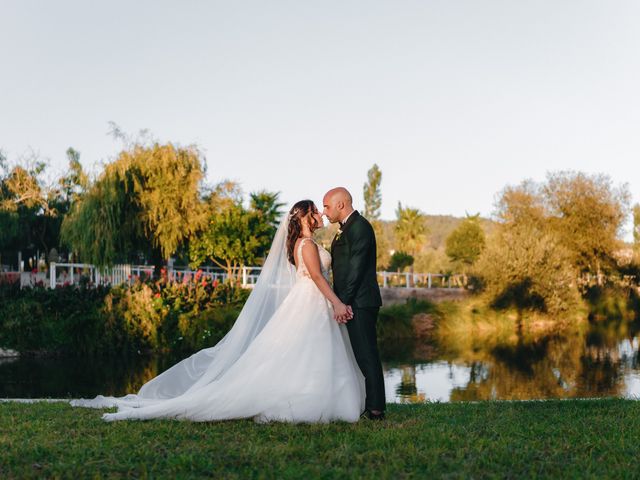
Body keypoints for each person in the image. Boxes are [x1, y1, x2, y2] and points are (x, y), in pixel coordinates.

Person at [71, 200, 365, 423]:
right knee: (308, 350)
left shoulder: (301, 244)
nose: (320, 215)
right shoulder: (308, 245)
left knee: (304, 352)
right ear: (303, 216)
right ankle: (308, 398)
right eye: (315, 210)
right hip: (311, 300)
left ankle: (311, 393)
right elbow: (316, 277)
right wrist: (337, 303)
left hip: (309, 301)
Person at [323, 187, 386, 420]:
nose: (324, 212)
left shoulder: (360, 227)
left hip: (360, 302)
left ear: (341, 205)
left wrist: (343, 303)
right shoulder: (346, 229)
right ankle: (368, 404)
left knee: (367, 354)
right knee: (359, 354)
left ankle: (376, 409)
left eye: (327, 206)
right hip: (353, 301)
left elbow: (356, 269)